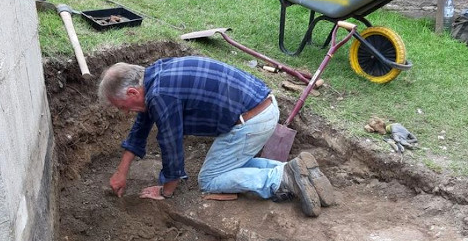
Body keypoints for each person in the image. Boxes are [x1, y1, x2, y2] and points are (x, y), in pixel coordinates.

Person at [97, 56, 334, 217]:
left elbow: (171, 143)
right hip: (262, 106)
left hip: (251, 121)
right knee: (229, 165)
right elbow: (143, 123)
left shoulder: (160, 95)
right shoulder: (155, 74)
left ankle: (279, 178)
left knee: (209, 179)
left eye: (122, 107)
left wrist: (166, 189)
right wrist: (122, 171)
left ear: (131, 91)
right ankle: (294, 169)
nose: (126, 113)